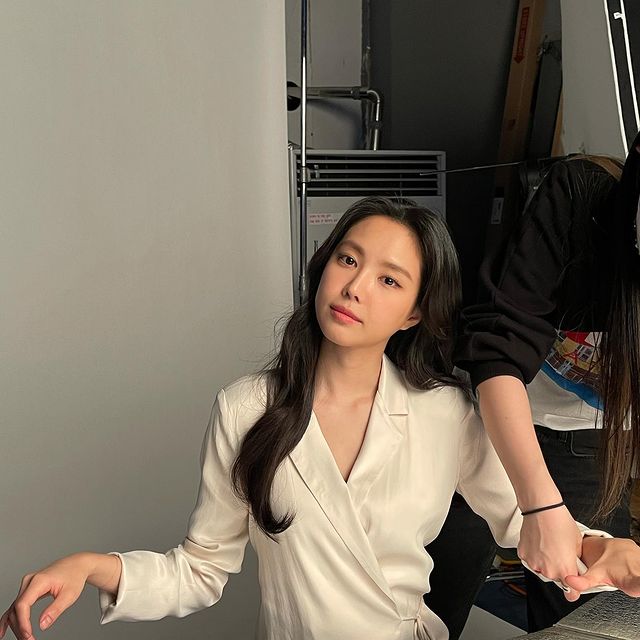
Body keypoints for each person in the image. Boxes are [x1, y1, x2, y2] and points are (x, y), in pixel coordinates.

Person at [2, 197, 640, 640]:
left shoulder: (444, 413)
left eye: (390, 280)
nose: (356, 286)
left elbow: (526, 526)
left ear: (416, 313)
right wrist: (91, 566)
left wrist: (602, 550)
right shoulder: (246, 409)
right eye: (348, 259)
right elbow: (198, 572)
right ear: (324, 265)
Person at [426, 134, 640, 636]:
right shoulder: (581, 198)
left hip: (588, 442)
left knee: (587, 613)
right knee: (433, 600)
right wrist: (541, 505)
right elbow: (499, 347)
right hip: (484, 421)